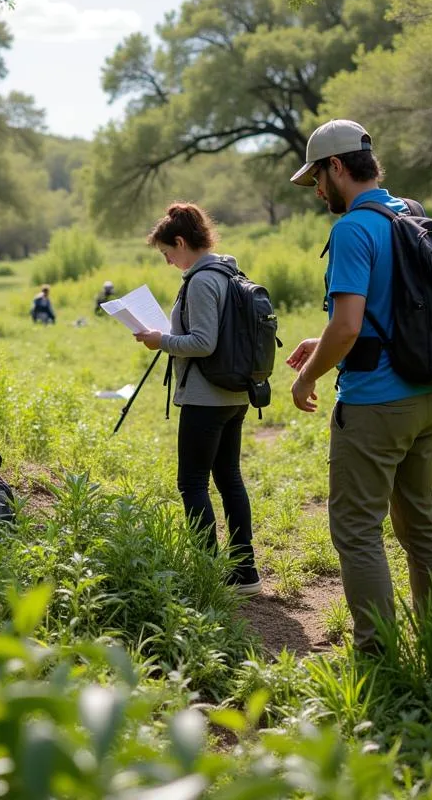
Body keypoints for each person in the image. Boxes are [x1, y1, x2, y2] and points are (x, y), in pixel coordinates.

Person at [286, 119, 432, 653]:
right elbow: (387, 313)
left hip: (375, 405)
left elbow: (351, 325)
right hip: (425, 396)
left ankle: (376, 655)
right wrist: (324, 338)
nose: (316, 192)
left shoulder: (354, 229)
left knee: (357, 532)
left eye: (316, 179)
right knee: (420, 525)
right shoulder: (409, 213)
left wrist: (309, 375)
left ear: (336, 167)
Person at [134, 202, 262, 596]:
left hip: (207, 397)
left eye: (167, 253)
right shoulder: (228, 270)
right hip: (234, 393)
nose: (169, 261)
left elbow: (204, 343)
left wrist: (161, 341)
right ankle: (245, 572)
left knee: (192, 483)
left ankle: (210, 572)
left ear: (180, 241)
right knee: (228, 479)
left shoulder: (204, 279)